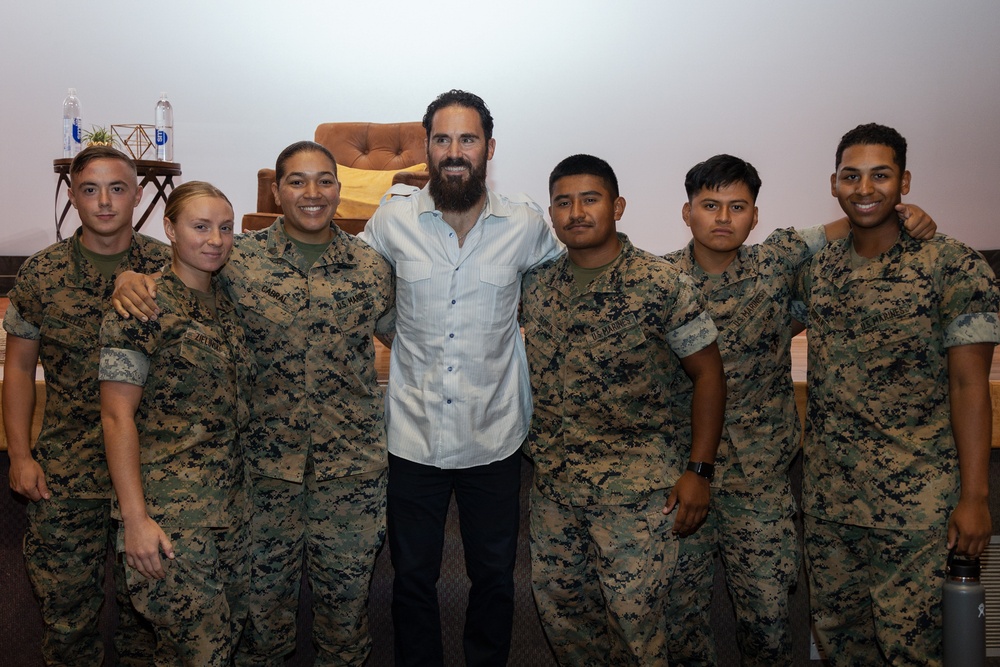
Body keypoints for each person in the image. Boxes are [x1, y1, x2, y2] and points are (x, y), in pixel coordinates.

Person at [112, 141, 394, 666]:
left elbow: (415, 338)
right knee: (259, 631)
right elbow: (176, 266)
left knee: (346, 627)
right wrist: (127, 277)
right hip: (261, 482)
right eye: (297, 181)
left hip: (351, 479)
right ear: (276, 190)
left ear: (339, 188)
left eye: (325, 181)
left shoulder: (373, 268)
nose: (313, 193)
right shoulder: (239, 259)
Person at [661, 154, 937, 666]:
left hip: (761, 481)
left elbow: (851, 220)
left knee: (768, 626)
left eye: (737, 206)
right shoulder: (659, 282)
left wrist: (905, 214)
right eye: (710, 205)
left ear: (756, 216)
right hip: (679, 481)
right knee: (680, 623)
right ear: (686, 212)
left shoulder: (777, 260)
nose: (723, 217)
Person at [359, 90, 562, 666]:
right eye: (442, 140)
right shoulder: (392, 219)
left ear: (489, 149)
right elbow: (347, 283)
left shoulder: (525, 224)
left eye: (467, 139)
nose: (454, 152)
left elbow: (563, 286)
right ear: (426, 149)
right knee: (413, 580)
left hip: (494, 435)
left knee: (494, 578)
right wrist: (401, 335)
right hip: (413, 436)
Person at [794, 123, 999, 665]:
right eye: (851, 176)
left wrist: (975, 498)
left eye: (880, 175)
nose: (865, 189)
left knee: (915, 651)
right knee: (841, 647)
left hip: (917, 505)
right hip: (829, 502)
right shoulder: (816, 268)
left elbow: (969, 385)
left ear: (904, 181)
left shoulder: (952, 265)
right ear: (833, 185)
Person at [520, 153, 725, 666]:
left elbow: (709, 375)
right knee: (568, 625)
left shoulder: (660, 284)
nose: (577, 212)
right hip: (556, 494)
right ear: (551, 214)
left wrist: (699, 469)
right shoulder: (538, 287)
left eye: (590, 199)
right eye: (563, 202)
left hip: (636, 497)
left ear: (618, 206)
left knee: (639, 636)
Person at [3, 145, 164, 666]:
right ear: (72, 197)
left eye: (118, 189)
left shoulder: (169, 269)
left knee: (150, 621)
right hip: (66, 471)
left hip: (152, 471)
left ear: (139, 196)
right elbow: (21, 370)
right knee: (66, 618)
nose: (104, 202)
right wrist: (21, 455)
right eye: (90, 189)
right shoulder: (41, 274)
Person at [100, 181, 252, 666]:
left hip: (230, 513)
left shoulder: (230, 302)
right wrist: (136, 521)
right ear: (169, 228)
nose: (215, 239)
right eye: (200, 226)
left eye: (225, 228)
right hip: (172, 517)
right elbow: (116, 415)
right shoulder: (141, 308)